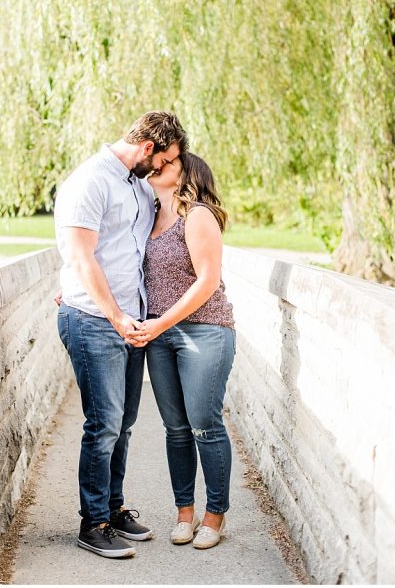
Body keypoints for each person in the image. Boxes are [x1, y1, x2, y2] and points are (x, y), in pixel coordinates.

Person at [54, 111, 187, 558]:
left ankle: (113, 507)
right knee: (104, 424)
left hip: (130, 321)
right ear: (149, 148)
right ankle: (92, 524)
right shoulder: (90, 181)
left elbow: (127, 252)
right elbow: (82, 256)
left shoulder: (135, 183)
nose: (166, 169)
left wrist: (132, 318)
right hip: (95, 320)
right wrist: (113, 316)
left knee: (124, 425)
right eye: (166, 160)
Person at [130, 151, 236, 550]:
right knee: (175, 429)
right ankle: (184, 513)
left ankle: (214, 515)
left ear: (186, 173)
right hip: (161, 335)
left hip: (205, 331)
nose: (156, 167)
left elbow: (207, 282)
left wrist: (161, 323)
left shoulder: (198, 215)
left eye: (167, 163)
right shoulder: (149, 217)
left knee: (204, 424)